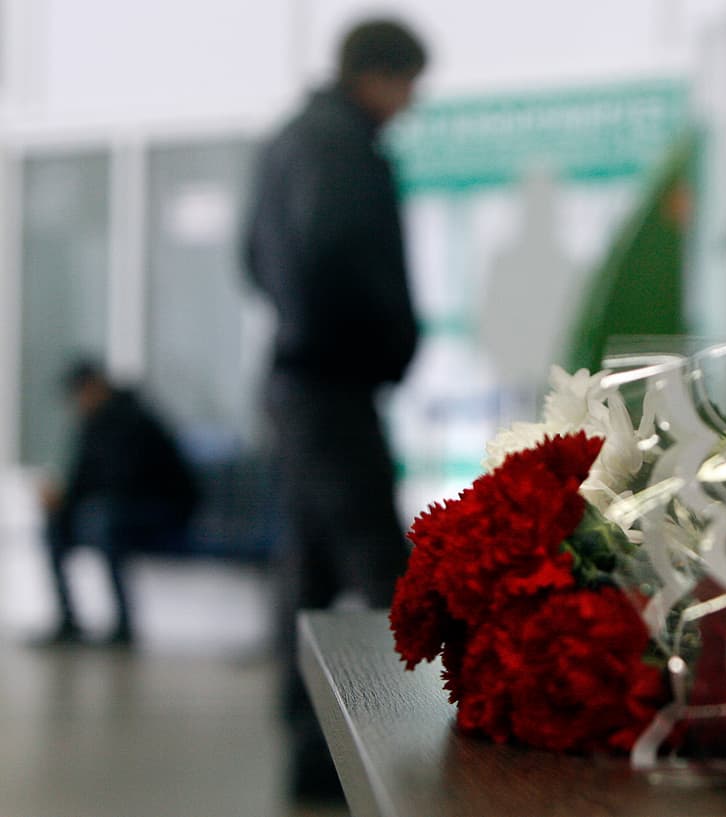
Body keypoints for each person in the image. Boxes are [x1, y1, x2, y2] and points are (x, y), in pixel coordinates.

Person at [243, 18, 427, 802]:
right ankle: (397, 751)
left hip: (296, 381)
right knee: (382, 569)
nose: (410, 103)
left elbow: (254, 258)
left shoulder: (287, 140)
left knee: (311, 568)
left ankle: (315, 755)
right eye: (409, 84)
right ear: (379, 75)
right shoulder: (343, 146)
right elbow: (331, 259)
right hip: (332, 386)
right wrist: (385, 342)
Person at [36, 359, 198, 648]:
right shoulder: (91, 424)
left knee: (103, 522)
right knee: (56, 524)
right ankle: (68, 620)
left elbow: (126, 482)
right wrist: (62, 500)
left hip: (163, 509)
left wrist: (79, 498)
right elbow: (84, 480)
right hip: (117, 510)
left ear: (95, 387)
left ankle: (124, 625)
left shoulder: (134, 419)